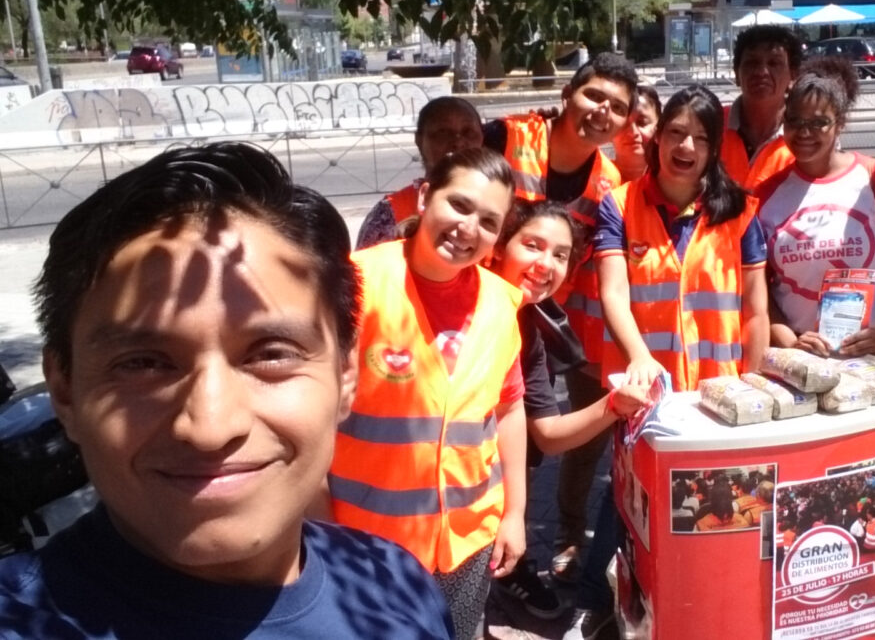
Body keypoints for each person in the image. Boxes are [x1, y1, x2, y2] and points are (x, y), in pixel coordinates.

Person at [0, 143, 453, 639]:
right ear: (65, 390)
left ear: (346, 374)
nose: (211, 428)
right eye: (143, 364)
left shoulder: (397, 584)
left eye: (271, 354)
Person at [329, 147, 526, 640]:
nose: (468, 228)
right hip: (364, 543)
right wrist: (316, 525)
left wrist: (516, 514)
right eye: (458, 205)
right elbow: (310, 413)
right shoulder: (356, 284)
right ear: (423, 197)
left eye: (488, 221)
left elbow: (508, 409)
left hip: (468, 543)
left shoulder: (501, 302)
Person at [485, 52, 638, 582]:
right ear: (567, 94)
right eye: (594, 95)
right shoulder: (507, 137)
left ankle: (509, 557)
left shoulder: (608, 182)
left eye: (617, 106)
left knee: (522, 441)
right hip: (472, 313)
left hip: (533, 324)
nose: (603, 111)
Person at [487, 199, 650, 620]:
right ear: (500, 246)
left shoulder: (528, 328)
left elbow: (549, 434)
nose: (546, 264)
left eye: (560, 255)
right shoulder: (466, 305)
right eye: (532, 245)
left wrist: (614, 404)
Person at [757, 57, 875, 358]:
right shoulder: (765, 196)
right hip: (799, 356)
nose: (804, 133)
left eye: (818, 122)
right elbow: (756, 287)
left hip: (871, 353)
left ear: (840, 123)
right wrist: (791, 343)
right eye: (795, 121)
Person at [596, 84, 770, 390]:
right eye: (676, 132)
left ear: (714, 149)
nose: (686, 146)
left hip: (723, 389)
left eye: (701, 138)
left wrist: (754, 385)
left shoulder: (740, 212)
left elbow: (755, 313)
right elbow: (613, 293)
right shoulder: (619, 205)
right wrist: (640, 358)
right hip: (642, 391)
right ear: (658, 135)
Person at [356, 96, 484, 248]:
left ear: (482, 138)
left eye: (468, 132)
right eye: (443, 132)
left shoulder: (504, 207)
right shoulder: (389, 215)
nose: (458, 142)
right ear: (419, 140)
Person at [721, 25, 802, 191]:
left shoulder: (808, 134)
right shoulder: (710, 125)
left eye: (774, 63)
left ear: (793, 75)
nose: (762, 72)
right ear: (736, 73)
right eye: (752, 63)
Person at [612, 84, 662, 181]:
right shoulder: (592, 177)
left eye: (642, 122)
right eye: (624, 123)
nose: (633, 132)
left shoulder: (676, 185)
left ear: (659, 127)